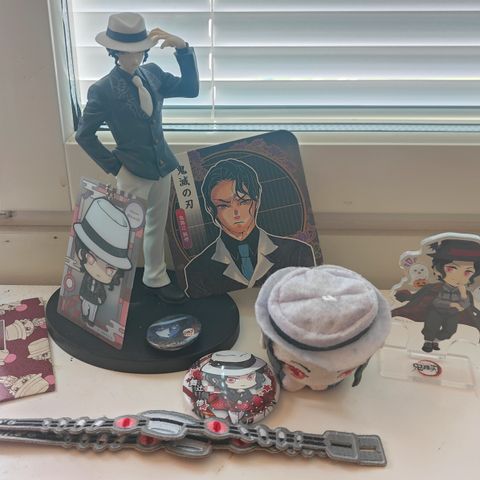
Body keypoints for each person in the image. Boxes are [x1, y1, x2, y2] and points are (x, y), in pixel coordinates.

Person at [75, 12, 199, 304]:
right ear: (113, 52)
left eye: (139, 50)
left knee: (157, 226)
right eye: (126, 51)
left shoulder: (152, 74)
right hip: (131, 171)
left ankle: (155, 278)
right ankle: (115, 288)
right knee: (125, 231)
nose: (134, 57)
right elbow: (84, 135)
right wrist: (116, 166)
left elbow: (190, 89)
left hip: (162, 166)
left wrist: (183, 50)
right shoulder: (103, 89)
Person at [184, 158, 315, 297]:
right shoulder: (197, 269)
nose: (236, 212)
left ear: (256, 201)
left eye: (243, 201)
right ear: (210, 210)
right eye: (224, 205)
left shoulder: (297, 253)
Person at [392, 239, 480, 352]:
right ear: (438, 270)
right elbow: (435, 301)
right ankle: (428, 342)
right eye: (452, 268)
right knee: (431, 326)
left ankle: (436, 340)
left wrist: (463, 295)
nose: (459, 276)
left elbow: (467, 306)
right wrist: (452, 304)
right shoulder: (433, 288)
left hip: (452, 314)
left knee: (450, 331)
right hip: (436, 311)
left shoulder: (465, 292)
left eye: (468, 272)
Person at [73, 198, 132, 325]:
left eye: (109, 270)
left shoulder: (101, 284)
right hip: (86, 297)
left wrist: (100, 299)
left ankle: (90, 320)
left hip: (95, 300)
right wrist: (82, 295)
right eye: (92, 258)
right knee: (85, 307)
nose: (99, 270)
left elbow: (102, 293)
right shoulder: (87, 276)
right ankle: (85, 316)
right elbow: (83, 286)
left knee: (93, 311)